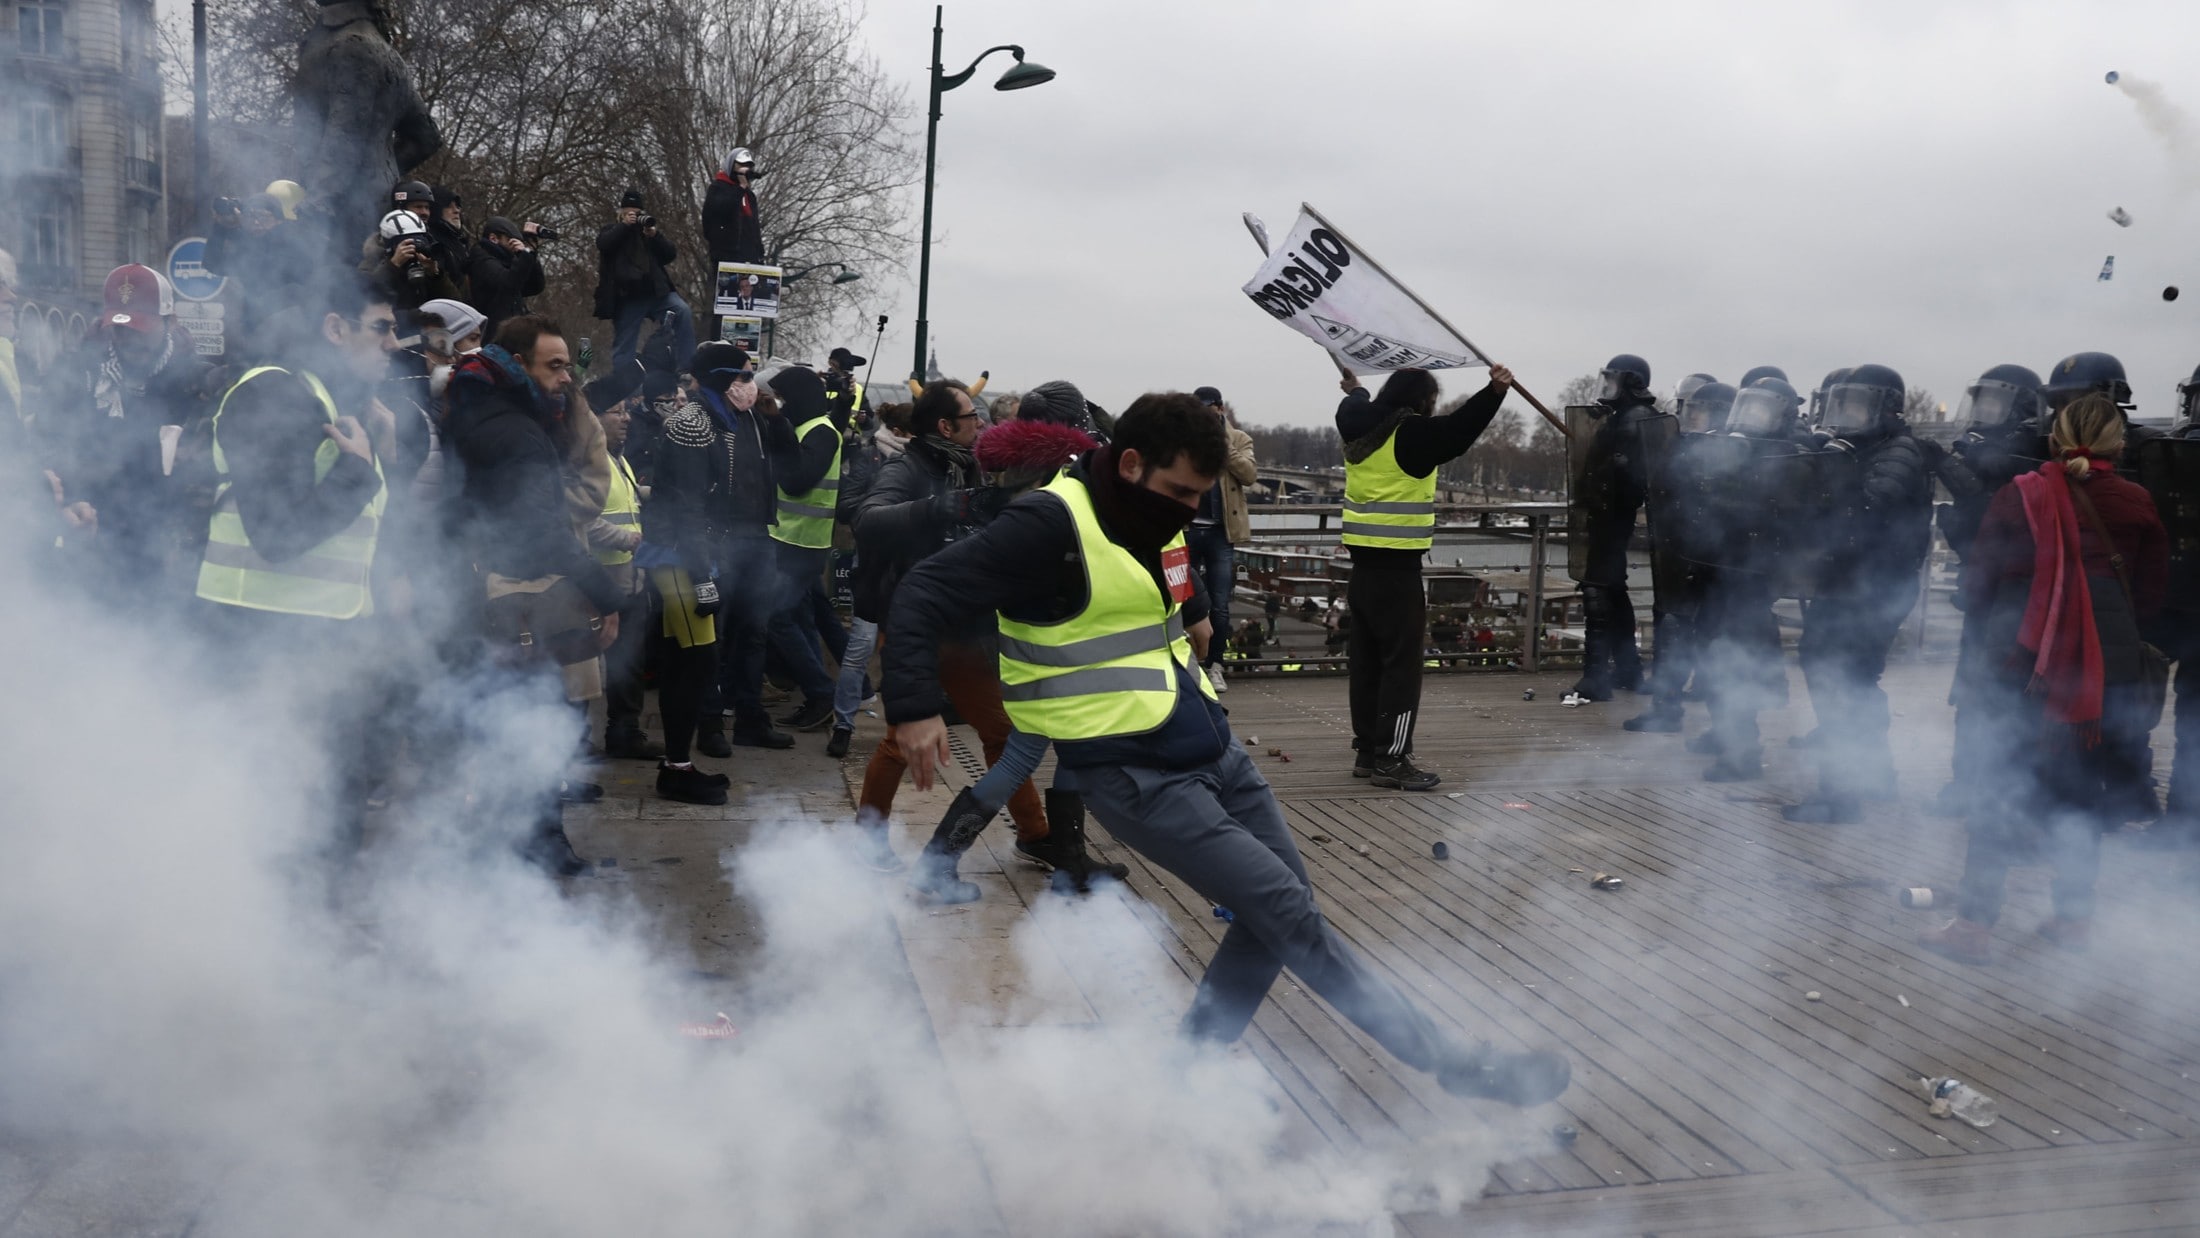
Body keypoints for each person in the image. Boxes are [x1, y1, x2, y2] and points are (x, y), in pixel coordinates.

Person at [886, 392, 1572, 1108]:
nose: (1189, 509)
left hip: (1213, 750)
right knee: (1287, 914)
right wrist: (911, 708)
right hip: (1132, 773)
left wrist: (1195, 613)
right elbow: (925, 588)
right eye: (1180, 491)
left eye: (1200, 496)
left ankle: (1186, 1076)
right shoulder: (1046, 520)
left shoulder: (1146, 509)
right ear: (1129, 464)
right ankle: (1456, 1064)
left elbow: (1144, 597)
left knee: (1274, 916)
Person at [1920, 396, 2167, 963]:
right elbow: (2151, 596)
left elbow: (1979, 582)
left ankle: (1975, 928)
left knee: (1997, 790)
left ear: (2054, 441)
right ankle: (2073, 919)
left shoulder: (2018, 494)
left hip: (2019, 666)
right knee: (2081, 795)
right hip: (2100, 672)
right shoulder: (2136, 501)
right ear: (2119, 445)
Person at [192, 274, 395, 869]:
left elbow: (362, 525)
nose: (393, 344)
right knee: (284, 815)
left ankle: (311, 941)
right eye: (380, 328)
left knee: (326, 810)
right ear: (335, 328)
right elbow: (278, 534)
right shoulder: (274, 395)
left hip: (314, 638)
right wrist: (358, 472)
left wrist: (381, 454)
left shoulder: (328, 401)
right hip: (260, 636)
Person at [903, 393, 1119, 904]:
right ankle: (951, 864)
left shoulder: (1013, 472)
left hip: (1027, 637)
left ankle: (1054, 859)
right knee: (1035, 752)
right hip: (1061, 637)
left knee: (1048, 751)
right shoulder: (1064, 481)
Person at [446, 314, 630, 874]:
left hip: (491, 590)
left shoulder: (502, 413)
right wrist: (608, 596)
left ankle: (533, 849)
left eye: (569, 366)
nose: (565, 378)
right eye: (553, 366)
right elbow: (542, 533)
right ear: (516, 364)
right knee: (527, 733)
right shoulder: (517, 431)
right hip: (516, 597)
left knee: (521, 730)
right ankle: (529, 857)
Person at [851, 380, 1057, 873]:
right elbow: (868, 520)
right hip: (917, 623)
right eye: (971, 418)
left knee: (1002, 733)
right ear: (945, 427)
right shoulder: (907, 465)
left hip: (965, 624)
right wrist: (939, 508)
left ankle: (1036, 835)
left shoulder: (968, 463)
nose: (981, 424)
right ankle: (867, 839)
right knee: (901, 737)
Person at [1334, 363, 1516, 790]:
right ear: (1421, 401)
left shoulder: (1356, 425)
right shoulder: (1411, 436)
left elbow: (1355, 404)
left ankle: (1367, 751)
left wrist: (1357, 390)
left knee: (1367, 666)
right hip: (1398, 573)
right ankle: (1392, 759)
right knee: (1401, 668)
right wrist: (1494, 390)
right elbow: (1460, 430)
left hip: (1361, 573)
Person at [1785, 363, 1934, 823]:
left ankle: (1841, 794)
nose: (1844, 414)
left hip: (1872, 585)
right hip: (1852, 581)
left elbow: (1868, 511)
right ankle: (1874, 773)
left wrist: (1832, 464)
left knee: (1840, 680)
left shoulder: (1898, 452)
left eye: (1855, 404)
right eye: (1839, 404)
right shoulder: (1865, 449)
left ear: (1885, 407)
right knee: (1851, 679)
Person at [2042, 351, 2164, 820]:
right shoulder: (2135, 493)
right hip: (2117, 630)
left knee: (2060, 728)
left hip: (2049, 631)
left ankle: (2066, 817)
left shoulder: (2030, 487)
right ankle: (2116, 809)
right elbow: (2153, 577)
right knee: (2115, 723)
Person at [46, 265, 216, 601]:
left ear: (172, 322)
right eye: (120, 329)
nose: (128, 339)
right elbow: (51, 446)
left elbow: (211, 472)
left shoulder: (199, 382)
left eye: (142, 328)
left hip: (171, 549)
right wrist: (72, 501)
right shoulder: (77, 373)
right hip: (94, 546)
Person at [1930, 364, 2049, 816]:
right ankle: (1967, 785)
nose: (1983, 414)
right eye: (1979, 403)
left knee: (2001, 695)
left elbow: (1997, 518)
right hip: (1982, 589)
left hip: (2012, 597)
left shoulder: (2029, 457)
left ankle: (2002, 794)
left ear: (2020, 408)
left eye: (1993, 404)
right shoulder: (1983, 453)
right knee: (1972, 690)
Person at [681, 341, 801, 755]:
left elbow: (793, 463)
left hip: (757, 536)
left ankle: (751, 718)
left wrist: (778, 419)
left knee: (755, 633)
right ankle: (710, 722)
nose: (750, 385)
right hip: (720, 540)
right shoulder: (704, 419)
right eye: (743, 376)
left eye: (753, 376)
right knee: (713, 636)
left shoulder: (757, 419)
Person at [1566, 354, 1669, 704]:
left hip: (1613, 515)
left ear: (1631, 382)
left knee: (1597, 589)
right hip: (1607, 514)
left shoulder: (1635, 419)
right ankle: (1628, 670)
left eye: (1613, 380)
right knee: (1612, 589)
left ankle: (1596, 677)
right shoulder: (1622, 417)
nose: (1607, 386)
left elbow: (1628, 476)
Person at [1627, 373, 1723, 732]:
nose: (1690, 415)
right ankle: (1668, 711)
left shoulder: (1729, 454)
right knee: (1674, 632)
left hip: (1710, 562)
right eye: (1687, 408)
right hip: (1682, 555)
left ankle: (1727, 734)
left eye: (1698, 409)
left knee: (1714, 645)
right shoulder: (1683, 445)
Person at [584, 361, 665, 763]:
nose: (626, 419)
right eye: (616, 411)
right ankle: (578, 741)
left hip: (629, 580)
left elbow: (629, 504)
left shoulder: (619, 460)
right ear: (593, 417)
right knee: (587, 668)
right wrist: (631, 539)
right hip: (599, 581)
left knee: (628, 664)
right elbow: (584, 520)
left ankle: (625, 732)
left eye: (626, 410)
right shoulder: (584, 461)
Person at [764, 364, 849, 732]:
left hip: (802, 543)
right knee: (800, 619)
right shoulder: (804, 427)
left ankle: (821, 692)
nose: (779, 406)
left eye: (782, 398)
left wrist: (778, 430)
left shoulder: (821, 432)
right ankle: (825, 696)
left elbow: (797, 480)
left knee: (778, 617)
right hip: (790, 539)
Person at [827, 400, 911, 758]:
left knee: (906, 651)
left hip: (910, 566)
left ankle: (905, 728)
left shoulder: (922, 462)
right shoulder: (868, 457)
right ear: (901, 431)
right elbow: (846, 507)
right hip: (875, 565)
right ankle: (843, 725)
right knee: (859, 648)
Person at [1188, 385, 1258, 693]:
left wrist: (1223, 443)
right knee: (1181, 601)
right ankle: (1189, 665)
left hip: (1220, 533)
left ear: (1220, 409)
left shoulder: (1240, 439)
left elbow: (1249, 475)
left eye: (1208, 409)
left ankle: (1215, 665)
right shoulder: (1182, 439)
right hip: (1186, 530)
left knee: (1219, 604)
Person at [595, 188, 696, 377]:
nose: (634, 217)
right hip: (628, 296)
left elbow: (669, 254)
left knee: (682, 311)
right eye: (629, 213)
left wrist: (654, 235)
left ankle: (687, 369)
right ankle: (623, 385)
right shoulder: (612, 230)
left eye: (637, 213)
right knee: (625, 344)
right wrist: (624, 226)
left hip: (656, 293)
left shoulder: (646, 234)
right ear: (621, 213)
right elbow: (603, 244)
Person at [467, 217, 547, 342]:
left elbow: (535, 286)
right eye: (511, 240)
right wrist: (524, 256)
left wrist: (531, 254)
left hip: (509, 334)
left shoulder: (508, 261)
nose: (516, 244)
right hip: (493, 336)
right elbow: (508, 285)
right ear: (494, 238)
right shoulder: (481, 259)